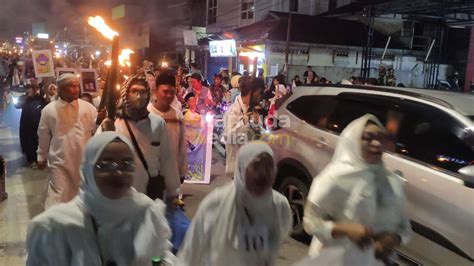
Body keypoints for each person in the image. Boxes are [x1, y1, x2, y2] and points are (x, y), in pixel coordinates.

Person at [26, 132, 175, 266]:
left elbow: (162, 255)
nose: (118, 172)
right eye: (105, 165)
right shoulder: (56, 226)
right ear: (88, 170)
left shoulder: (146, 213)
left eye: (127, 165)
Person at [303, 114, 411, 264]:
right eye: (368, 137)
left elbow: (404, 226)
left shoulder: (391, 182)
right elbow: (310, 221)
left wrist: (394, 238)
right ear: (353, 140)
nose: (377, 143)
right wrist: (345, 229)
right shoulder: (334, 177)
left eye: (381, 137)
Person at [178, 141, 292, 266]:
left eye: (269, 166)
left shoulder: (280, 207)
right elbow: (190, 253)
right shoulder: (216, 204)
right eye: (256, 167)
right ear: (242, 168)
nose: (263, 174)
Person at [99, 74, 180, 202]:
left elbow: (167, 159)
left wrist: (174, 192)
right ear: (126, 93)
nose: (139, 96)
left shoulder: (157, 123)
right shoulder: (112, 124)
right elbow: (94, 159)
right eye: (134, 91)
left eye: (142, 92)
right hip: (119, 195)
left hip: (149, 194)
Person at [37, 73, 98, 208]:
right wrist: (41, 155)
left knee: (81, 196)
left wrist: (103, 120)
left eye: (77, 86)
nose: (76, 89)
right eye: (72, 86)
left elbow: (98, 131)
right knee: (59, 195)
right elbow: (43, 134)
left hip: (83, 161)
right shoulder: (49, 110)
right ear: (62, 89)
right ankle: (54, 225)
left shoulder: (88, 108)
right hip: (59, 161)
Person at [148, 73, 187, 202]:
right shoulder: (146, 114)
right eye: (165, 91)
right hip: (150, 176)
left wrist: (181, 172)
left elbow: (182, 147)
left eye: (172, 92)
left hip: (172, 173)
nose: (169, 95)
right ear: (155, 90)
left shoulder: (177, 116)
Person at [224, 77, 264, 175]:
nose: (261, 96)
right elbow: (229, 137)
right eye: (260, 92)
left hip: (251, 166)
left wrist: (256, 124)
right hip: (238, 169)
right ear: (252, 92)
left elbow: (258, 135)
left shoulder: (253, 109)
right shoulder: (233, 110)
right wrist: (244, 122)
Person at [17, 84, 47, 167]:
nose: (30, 90)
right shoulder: (24, 98)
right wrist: (24, 98)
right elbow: (17, 106)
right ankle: (31, 159)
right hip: (26, 125)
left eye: (32, 88)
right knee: (28, 142)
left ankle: (39, 159)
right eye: (28, 89)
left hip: (39, 124)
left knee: (38, 141)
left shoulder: (41, 99)